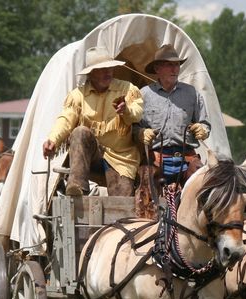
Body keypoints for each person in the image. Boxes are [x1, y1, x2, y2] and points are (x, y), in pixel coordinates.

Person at [42, 46, 144, 196]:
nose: (108, 72)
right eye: (102, 69)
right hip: (90, 156)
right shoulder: (78, 95)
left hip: (121, 158)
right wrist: (53, 139)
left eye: (109, 68)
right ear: (91, 73)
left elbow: (137, 114)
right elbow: (66, 119)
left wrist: (126, 111)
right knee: (80, 132)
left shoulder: (127, 89)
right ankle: (77, 187)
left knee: (122, 205)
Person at [134, 44, 210, 187]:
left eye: (177, 65)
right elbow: (133, 127)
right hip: (155, 158)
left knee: (204, 186)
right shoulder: (144, 94)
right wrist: (141, 133)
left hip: (188, 158)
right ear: (157, 69)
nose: (175, 69)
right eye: (169, 65)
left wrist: (203, 129)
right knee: (146, 194)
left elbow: (205, 124)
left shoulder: (192, 93)